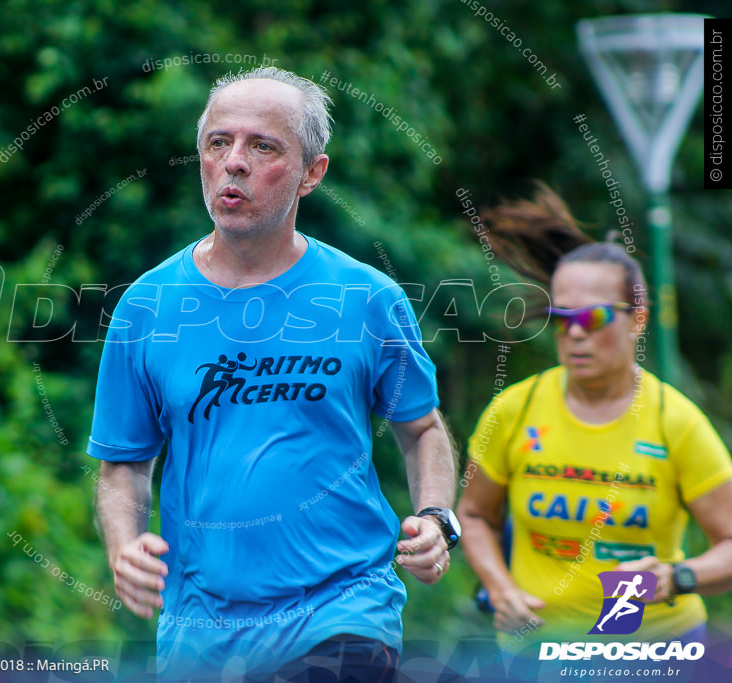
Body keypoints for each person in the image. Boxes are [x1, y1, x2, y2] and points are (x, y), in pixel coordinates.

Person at [87, 66, 459, 681]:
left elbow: (420, 429)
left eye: (263, 146)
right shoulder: (148, 307)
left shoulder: (367, 298)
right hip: (199, 627)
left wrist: (436, 516)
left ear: (313, 173)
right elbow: (123, 464)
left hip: (344, 607)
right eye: (218, 143)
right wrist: (124, 548)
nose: (235, 162)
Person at [457, 185, 732, 657]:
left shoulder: (677, 423)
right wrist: (500, 588)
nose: (577, 333)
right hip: (538, 652)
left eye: (595, 316)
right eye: (564, 316)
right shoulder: (513, 411)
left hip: (655, 651)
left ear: (637, 321)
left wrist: (677, 577)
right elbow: (475, 514)